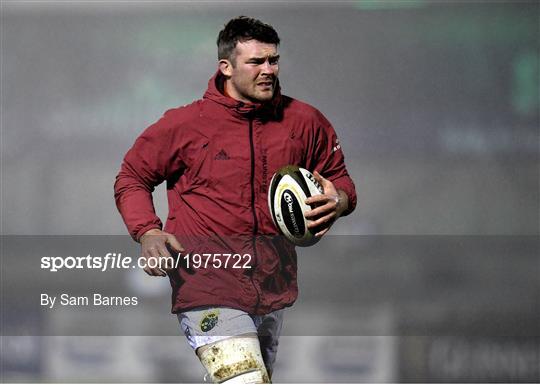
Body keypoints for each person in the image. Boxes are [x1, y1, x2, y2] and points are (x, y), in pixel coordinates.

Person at [114, 16, 356, 383]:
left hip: (273, 288)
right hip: (206, 284)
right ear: (225, 67)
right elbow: (131, 177)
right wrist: (147, 231)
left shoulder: (305, 121)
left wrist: (337, 200)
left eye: (273, 60)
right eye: (255, 62)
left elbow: (340, 181)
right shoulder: (185, 125)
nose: (268, 70)